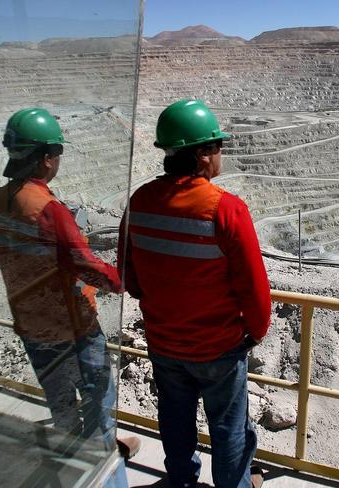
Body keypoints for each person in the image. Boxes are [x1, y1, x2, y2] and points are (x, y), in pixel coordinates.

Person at [118, 99, 271, 488]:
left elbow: (129, 276)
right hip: (218, 347)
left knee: (175, 419)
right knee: (229, 429)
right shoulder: (226, 209)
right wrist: (255, 331)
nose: (220, 154)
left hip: (165, 342)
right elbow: (253, 287)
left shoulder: (139, 201)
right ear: (202, 155)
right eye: (217, 146)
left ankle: (183, 481)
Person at [0, 107, 140, 462]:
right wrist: (122, 281)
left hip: (32, 324)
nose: (58, 160)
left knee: (60, 400)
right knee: (99, 394)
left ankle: (70, 458)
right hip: (73, 327)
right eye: (57, 153)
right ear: (43, 159)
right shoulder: (46, 207)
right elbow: (84, 263)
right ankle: (100, 462)